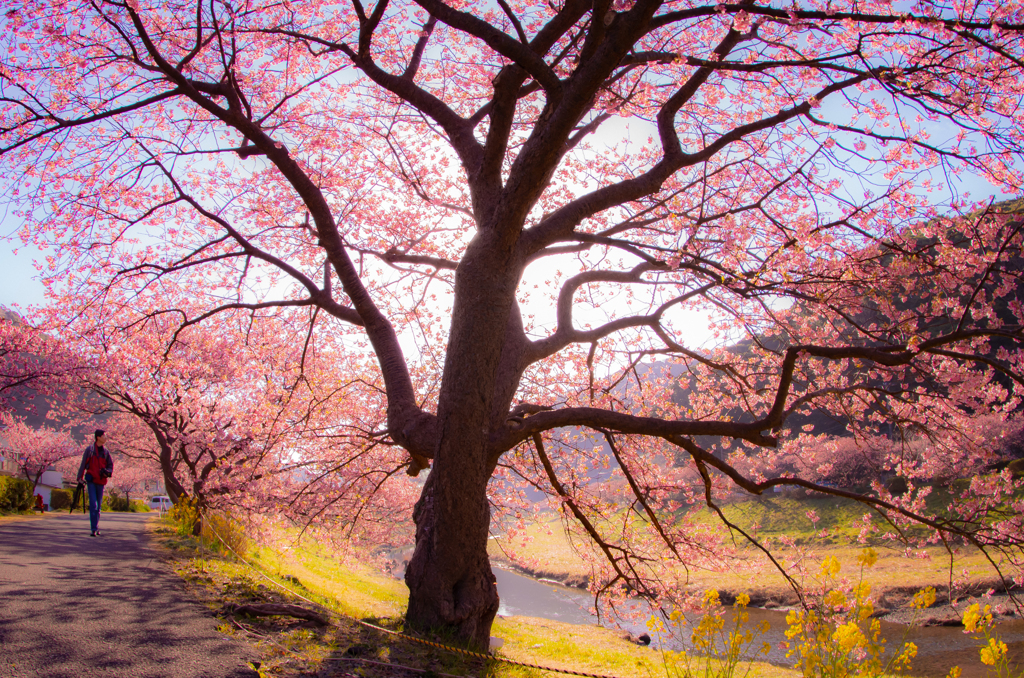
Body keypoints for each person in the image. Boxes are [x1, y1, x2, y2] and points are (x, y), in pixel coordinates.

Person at [76, 430, 113, 537]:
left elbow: (110, 465)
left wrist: (108, 472)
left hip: (101, 481)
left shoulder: (106, 452)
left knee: (99, 507)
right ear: (98, 437)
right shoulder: (90, 450)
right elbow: (83, 464)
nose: (105, 438)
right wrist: (79, 477)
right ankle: (93, 529)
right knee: (94, 505)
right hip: (91, 481)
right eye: (104, 436)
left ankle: (95, 527)